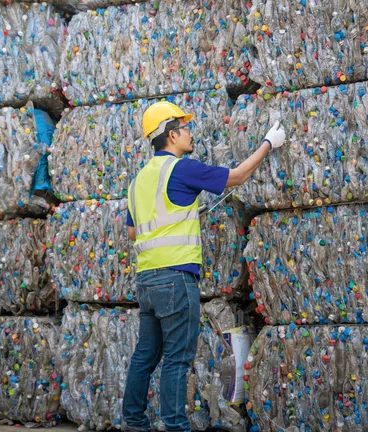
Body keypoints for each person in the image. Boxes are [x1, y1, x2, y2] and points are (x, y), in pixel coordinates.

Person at [122, 101, 286, 432]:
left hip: (148, 280)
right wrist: (269, 143)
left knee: (145, 356)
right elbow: (237, 176)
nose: (190, 132)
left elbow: (132, 230)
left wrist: (178, 215)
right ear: (171, 134)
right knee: (178, 359)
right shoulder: (181, 168)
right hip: (175, 278)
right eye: (185, 127)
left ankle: (133, 422)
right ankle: (175, 426)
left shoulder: (138, 181)